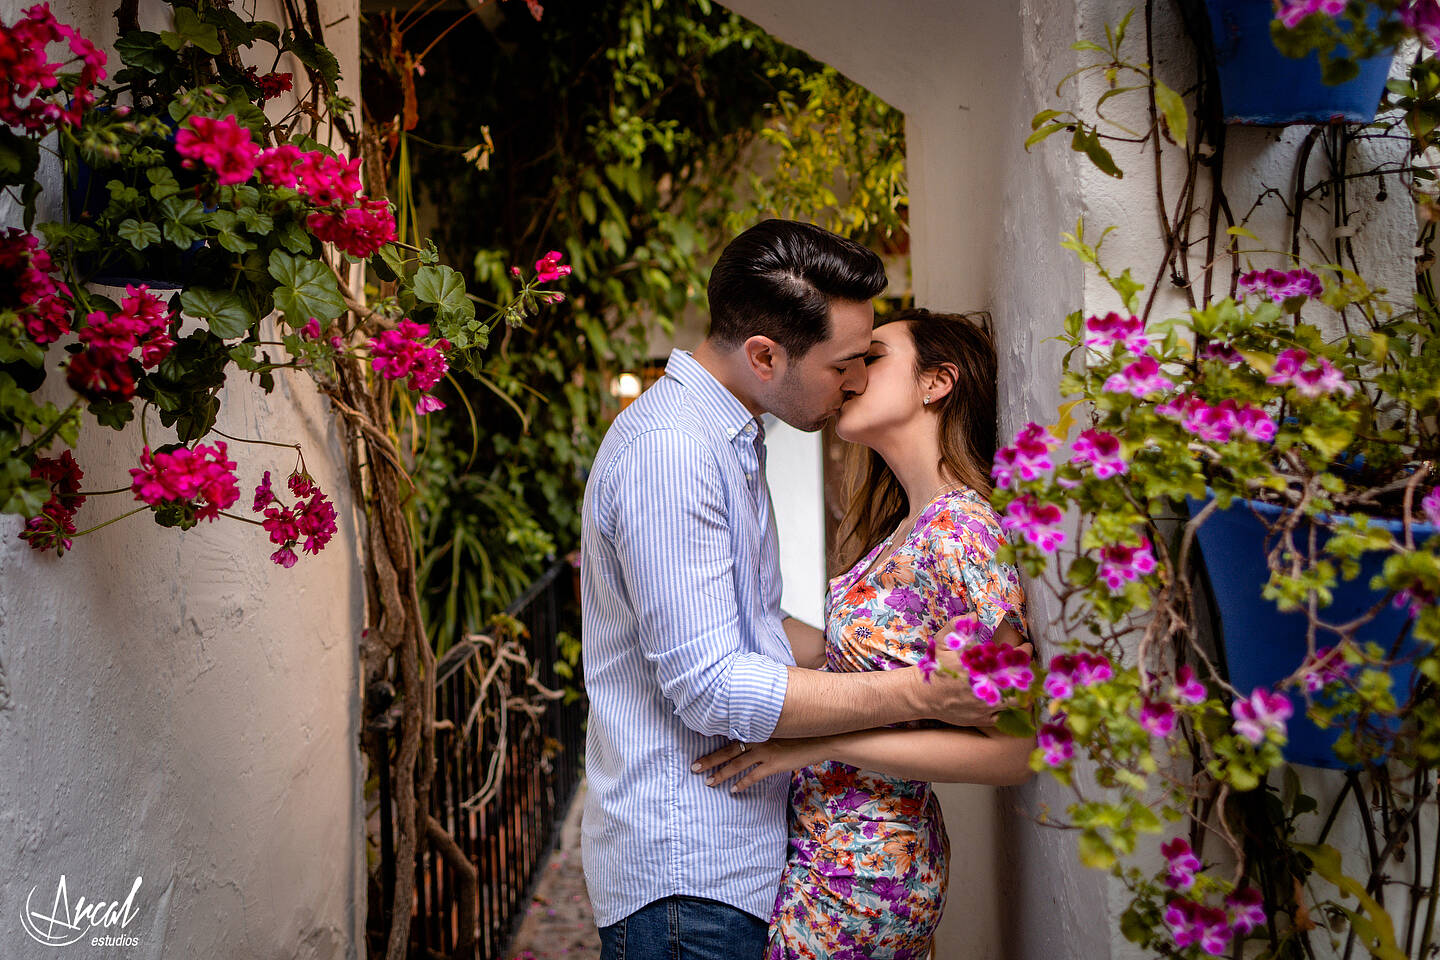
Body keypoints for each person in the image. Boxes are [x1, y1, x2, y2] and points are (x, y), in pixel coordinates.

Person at [579, 221, 1015, 960]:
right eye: (847, 361)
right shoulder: (674, 454)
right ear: (765, 355)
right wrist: (923, 694)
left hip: (757, 869)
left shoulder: (725, 444)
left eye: (871, 360)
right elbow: (715, 685)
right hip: (694, 874)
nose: (852, 380)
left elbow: (754, 627)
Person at [692, 308, 1035, 959]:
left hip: (866, 872)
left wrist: (821, 743)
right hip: (828, 849)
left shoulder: (962, 532)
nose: (850, 376)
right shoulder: (908, 529)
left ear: (937, 383)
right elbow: (842, 655)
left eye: (871, 358)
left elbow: (1015, 749)